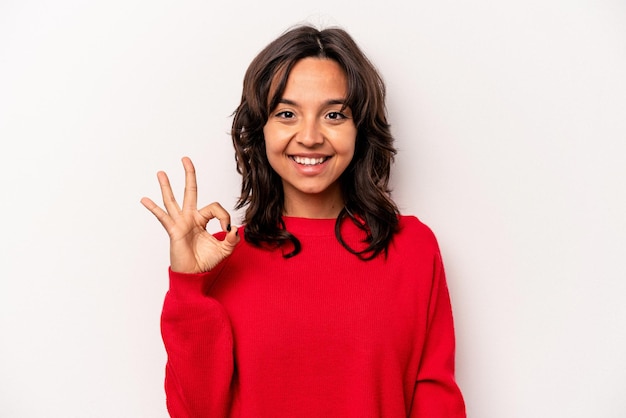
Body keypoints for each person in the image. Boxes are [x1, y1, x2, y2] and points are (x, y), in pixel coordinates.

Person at [141, 23, 466, 418]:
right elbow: (195, 412)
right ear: (261, 129)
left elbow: (436, 401)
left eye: (333, 114)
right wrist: (189, 287)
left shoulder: (412, 248)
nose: (310, 136)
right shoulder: (222, 256)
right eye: (287, 113)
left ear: (360, 129)